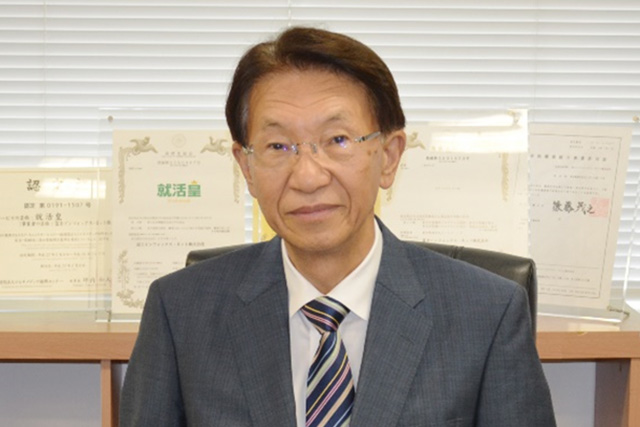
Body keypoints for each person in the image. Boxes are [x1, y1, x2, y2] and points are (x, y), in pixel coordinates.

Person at [120, 27, 556, 427]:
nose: (308, 176)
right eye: (278, 146)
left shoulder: (487, 314)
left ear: (388, 156)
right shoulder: (180, 313)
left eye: (338, 140)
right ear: (246, 167)